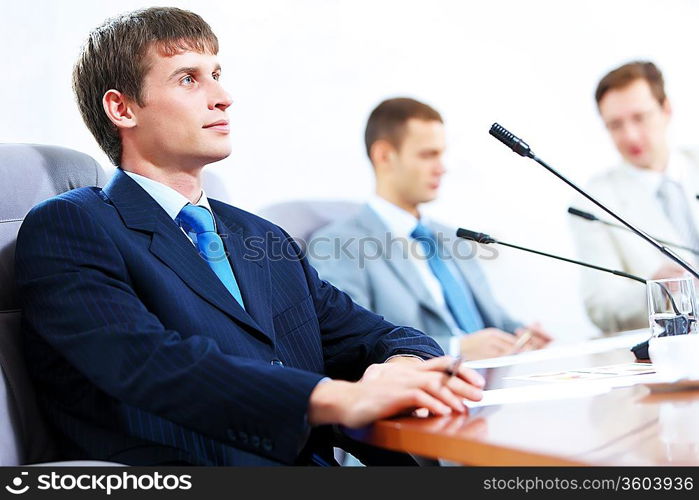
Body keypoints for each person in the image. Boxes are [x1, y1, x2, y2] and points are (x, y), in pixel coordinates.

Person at [14, 8, 485, 466]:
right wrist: (335, 397)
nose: (222, 97)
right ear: (121, 107)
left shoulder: (260, 236)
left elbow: (381, 334)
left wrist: (401, 367)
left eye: (217, 73)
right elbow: (150, 363)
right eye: (188, 78)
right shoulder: (72, 226)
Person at [308, 98, 551, 360]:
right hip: (433, 386)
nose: (442, 168)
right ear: (384, 156)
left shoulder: (451, 236)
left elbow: (492, 319)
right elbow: (351, 342)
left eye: (441, 154)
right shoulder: (337, 244)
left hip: (497, 376)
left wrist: (519, 334)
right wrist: (456, 349)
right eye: (427, 155)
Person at [570, 61, 699, 334]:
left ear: (666, 110)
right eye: (615, 125)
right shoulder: (593, 201)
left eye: (640, 118)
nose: (630, 136)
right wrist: (655, 290)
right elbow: (602, 309)